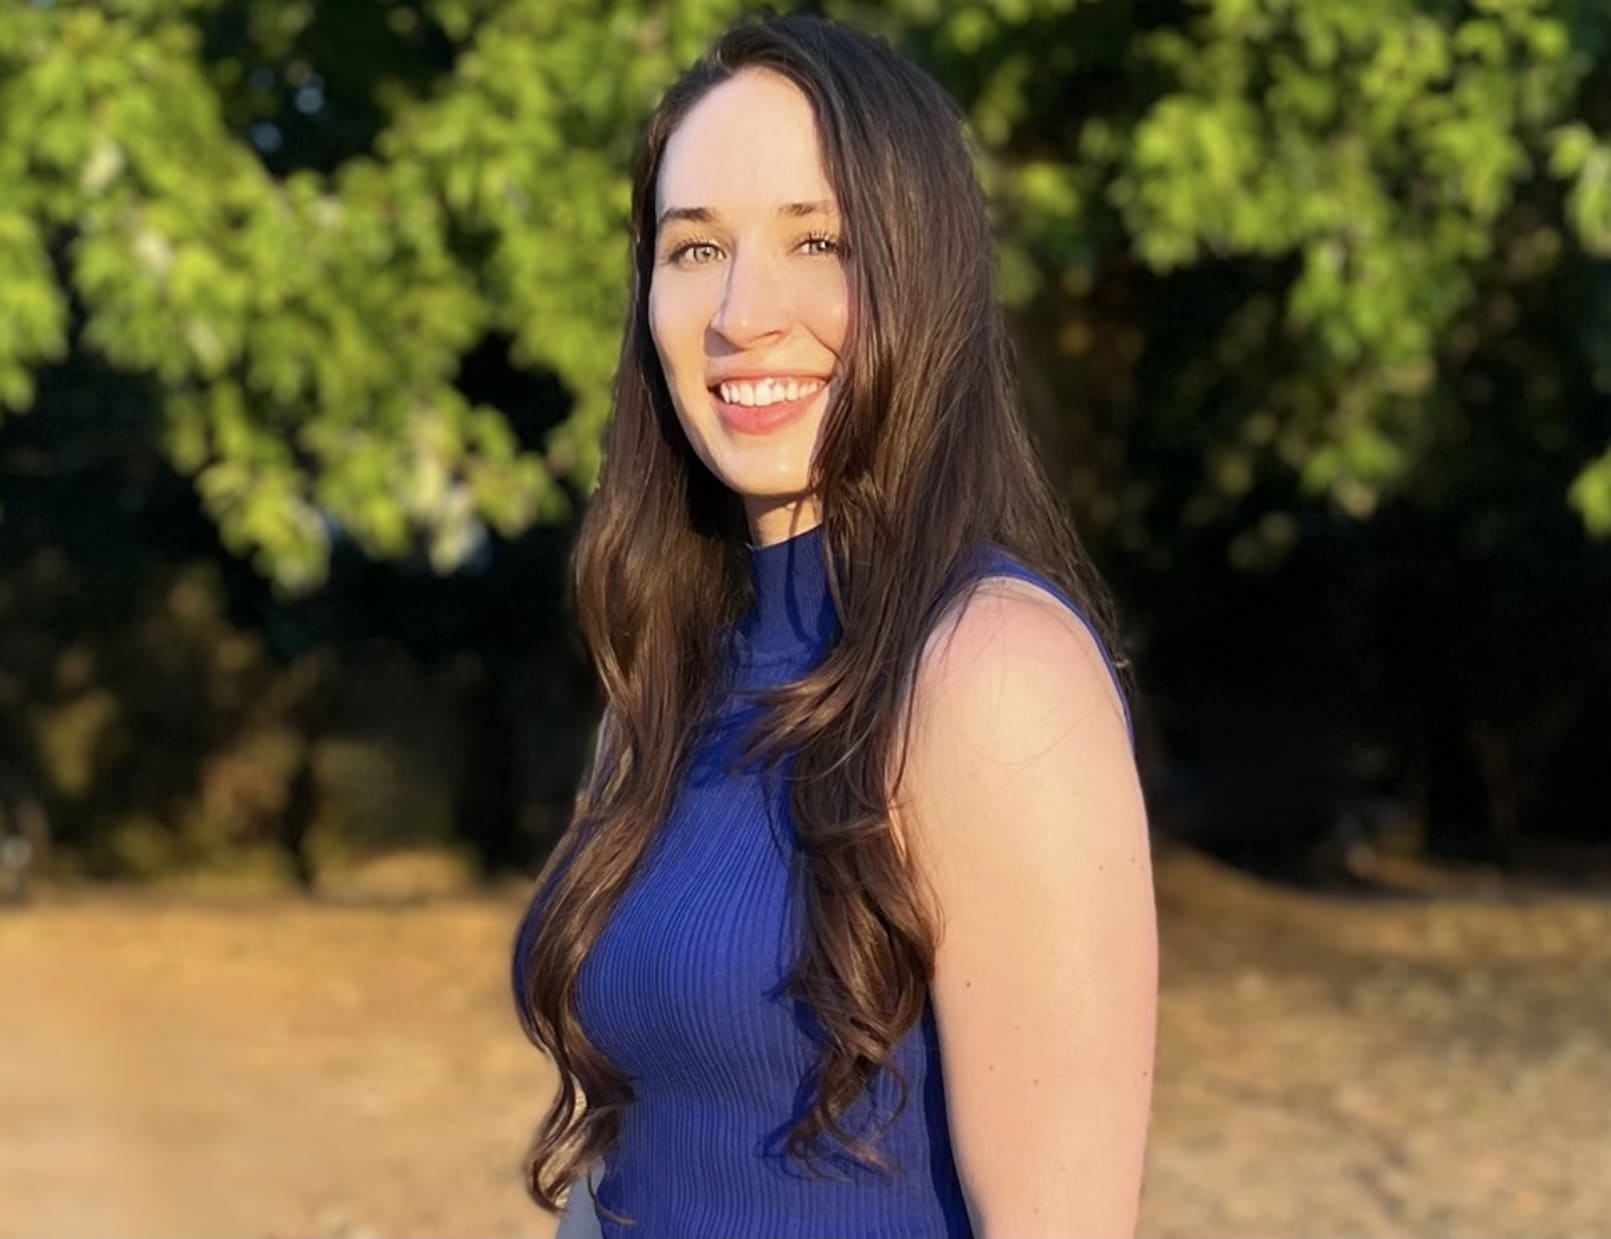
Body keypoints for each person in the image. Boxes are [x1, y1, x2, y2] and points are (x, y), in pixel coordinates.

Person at [511, 12, 1156, 1238]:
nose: (745, 312)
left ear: (926, 276)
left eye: (822, 240)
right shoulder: (666, 679)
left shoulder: (993, 676)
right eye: (694, 250)